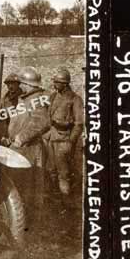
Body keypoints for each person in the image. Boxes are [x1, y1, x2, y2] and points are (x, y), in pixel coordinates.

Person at [7, 66, 51, 223]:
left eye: (23, 83)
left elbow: (42, 122)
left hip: (29, 149)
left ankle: (30, 223)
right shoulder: (25, 99)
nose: (20, 86)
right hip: (20, 148)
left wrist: (21, 137)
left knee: (29, 187)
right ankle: (20, 219)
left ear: (29, 84)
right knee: (19, 185)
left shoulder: (37, 99)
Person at [45, 68, 84, 196]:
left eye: (57, 82)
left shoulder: (75, 99)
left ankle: (66, 199)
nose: (54, 84)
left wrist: (71, 141)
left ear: (65, 84)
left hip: (64, 139)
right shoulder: (53, 96)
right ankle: (55, 199)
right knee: (51, 169)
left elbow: (79, 124)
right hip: (51, 138)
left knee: (64, 173)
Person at [0, 73, 23, 145]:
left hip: (15, 130)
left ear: (18, 84)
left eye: (13, 84)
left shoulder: (22, 97)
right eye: (8, 84)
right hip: (2, 129)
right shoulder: (5, 97)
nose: (10, 86)